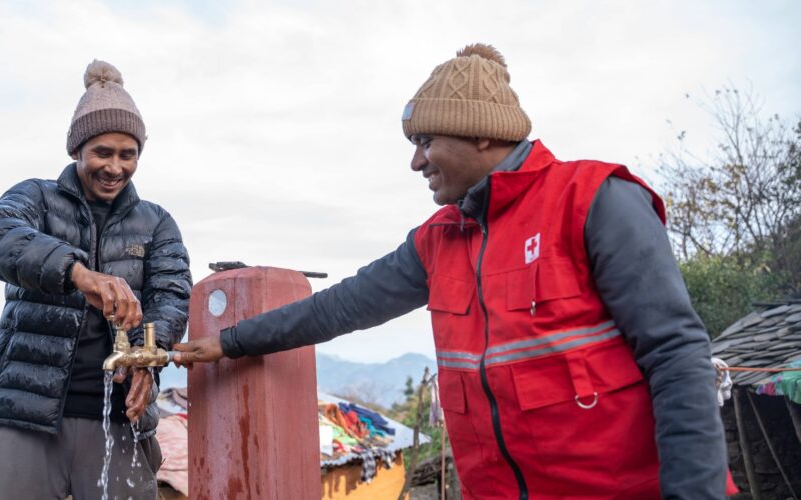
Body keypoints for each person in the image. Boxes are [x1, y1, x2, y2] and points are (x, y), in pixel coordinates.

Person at [173, 44, 730, 498]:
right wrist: (232, 342)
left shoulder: (594, 200)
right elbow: (339, 306)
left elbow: (676, 356)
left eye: (425, 142)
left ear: (482, 133)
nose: (416, 162)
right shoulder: (438, 238)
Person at [0, 59, 192, 499]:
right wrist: (79, 274)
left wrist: (150, 358)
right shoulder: (35, 198)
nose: (115, 167)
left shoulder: (157, 223)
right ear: (77, 151)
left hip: (119, 418)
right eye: (102, 153)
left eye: (127, 154)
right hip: (27, 415)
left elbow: (171, 296)